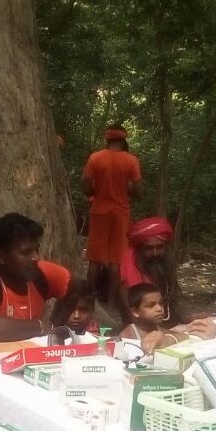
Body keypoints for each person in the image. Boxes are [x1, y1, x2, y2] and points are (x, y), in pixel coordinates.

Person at [0, 213, 73, 343]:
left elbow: (77, 288)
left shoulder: (41, 272)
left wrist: (56, 326)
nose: (36, 257)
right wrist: (41, 326)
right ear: (1, 256)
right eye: (26, 252)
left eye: (36, 250)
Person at [82, 124, 142, 308]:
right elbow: (139, 191)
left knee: (94, 259)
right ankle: (113, 300)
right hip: (120, 213)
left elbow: (85, 185)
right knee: (116, 261)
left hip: (99, 211)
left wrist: (97, 190)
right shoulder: (131, 160)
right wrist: (126, 189)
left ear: (107, 139)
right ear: (123, 140)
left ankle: (89, 297)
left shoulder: (95, 158)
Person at [119, 216, 178, 324]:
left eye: (160, 247)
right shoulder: (128, 275)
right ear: (139, 250)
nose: (155, 253)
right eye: (149, 248)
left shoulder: (165, 267)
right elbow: (134, 321)